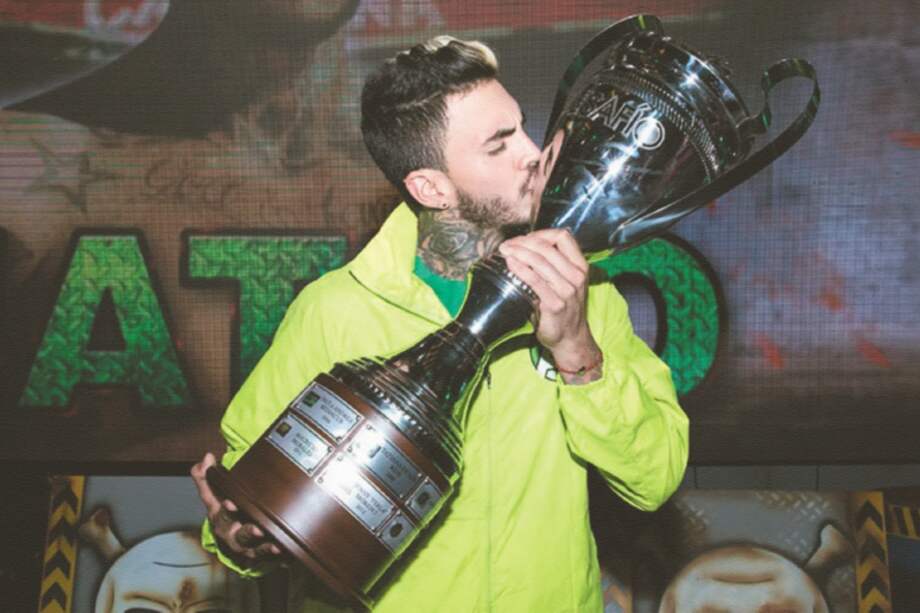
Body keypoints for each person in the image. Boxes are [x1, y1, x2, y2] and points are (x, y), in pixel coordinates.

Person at [191, 35, 689, 612]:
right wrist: (239, 537)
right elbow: (250, 493)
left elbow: (653, 480)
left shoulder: (580, 294)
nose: (535, 154)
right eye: (499, 145)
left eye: (523, 129)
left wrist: (579, 353)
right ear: (431, 187)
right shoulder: (336, 310)